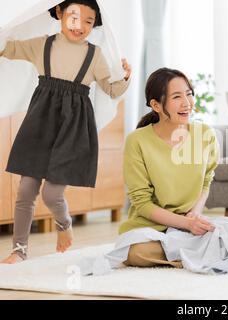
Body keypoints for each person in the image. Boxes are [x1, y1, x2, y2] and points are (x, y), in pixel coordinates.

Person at [0, 0, 132, 264]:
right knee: (26, 189)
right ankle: (19, 249)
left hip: (74, 128)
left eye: (88, 21)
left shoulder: (94, 55)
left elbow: (111, 89)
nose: (80, 26)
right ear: (59, 12)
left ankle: (64, 224)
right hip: (40, 123)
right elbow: (9, 49)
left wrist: (125, 78)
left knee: (51, 193)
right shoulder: (42, 45)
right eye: (74, 17)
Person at [119, 68, 218, 268]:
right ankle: (195, 252)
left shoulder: (205, 134)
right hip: (150, 228)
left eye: (189, 94)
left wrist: (194, 216)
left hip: (190, 226)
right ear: (156, 105)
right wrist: (186, 224)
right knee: (136, 253)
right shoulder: (137, 141)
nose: (187, 103)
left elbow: (206, 181)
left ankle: (188, 250)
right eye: (176, 97)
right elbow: (142, 203)